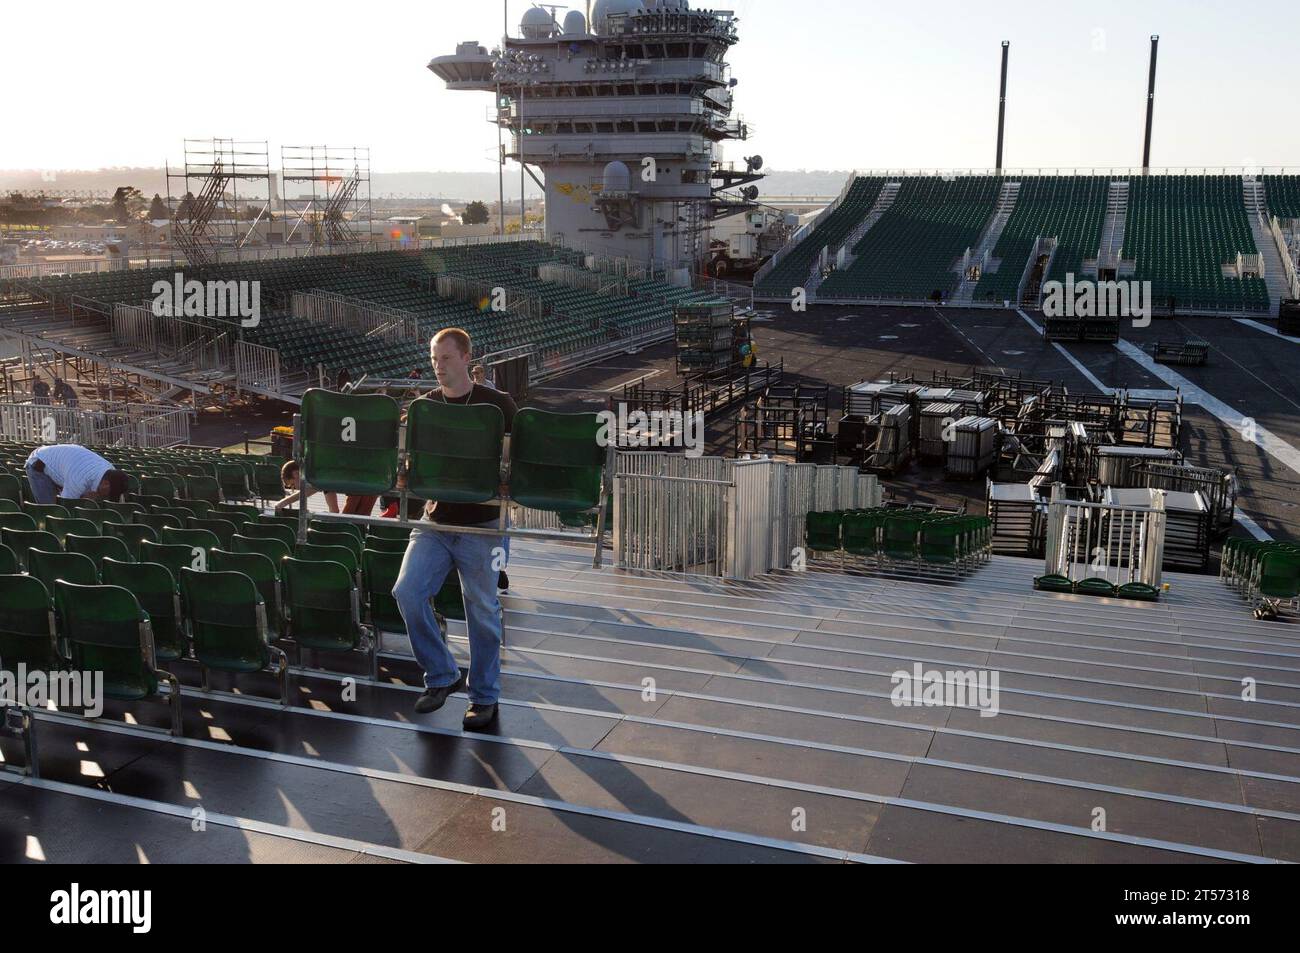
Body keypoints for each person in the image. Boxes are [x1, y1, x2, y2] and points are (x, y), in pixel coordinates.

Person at [392, 327, 516, 730]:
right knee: (407, 591)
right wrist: (403, 476)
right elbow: (409, 460)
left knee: (482, 610)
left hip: (483, 526)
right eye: (433, 360)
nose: (438, 367)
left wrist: (507, 481)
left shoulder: (497, 405)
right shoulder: (425, 406)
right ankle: (443, 675)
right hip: (437, 520)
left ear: (466, 358)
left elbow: (518, 457)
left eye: (445, 358)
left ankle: (484, 698)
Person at [25, 444, 129, 504]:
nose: (108, 496)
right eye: (109, 493)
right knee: (50, 510)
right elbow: (66, 505)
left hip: (68, 465)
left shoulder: (111, 471)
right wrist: (82, 499)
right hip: (39, 462)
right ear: (106, 484)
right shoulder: (79, 479)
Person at [273, 460, 340, 514]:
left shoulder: (319, 476)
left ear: (296, 473)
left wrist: (283, 503)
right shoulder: (320, 476)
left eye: (293, 485)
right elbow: (334, 511)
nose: (295, 488)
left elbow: (308, 491)